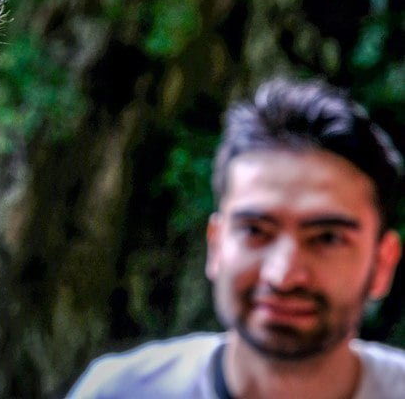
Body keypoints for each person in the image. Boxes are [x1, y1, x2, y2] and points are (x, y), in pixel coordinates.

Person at [68, 78, 405, 399]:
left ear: (382, 264)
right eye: (255, 231)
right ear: (215, 246)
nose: (283, 276)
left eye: (327, 238)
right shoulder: (118, 392)